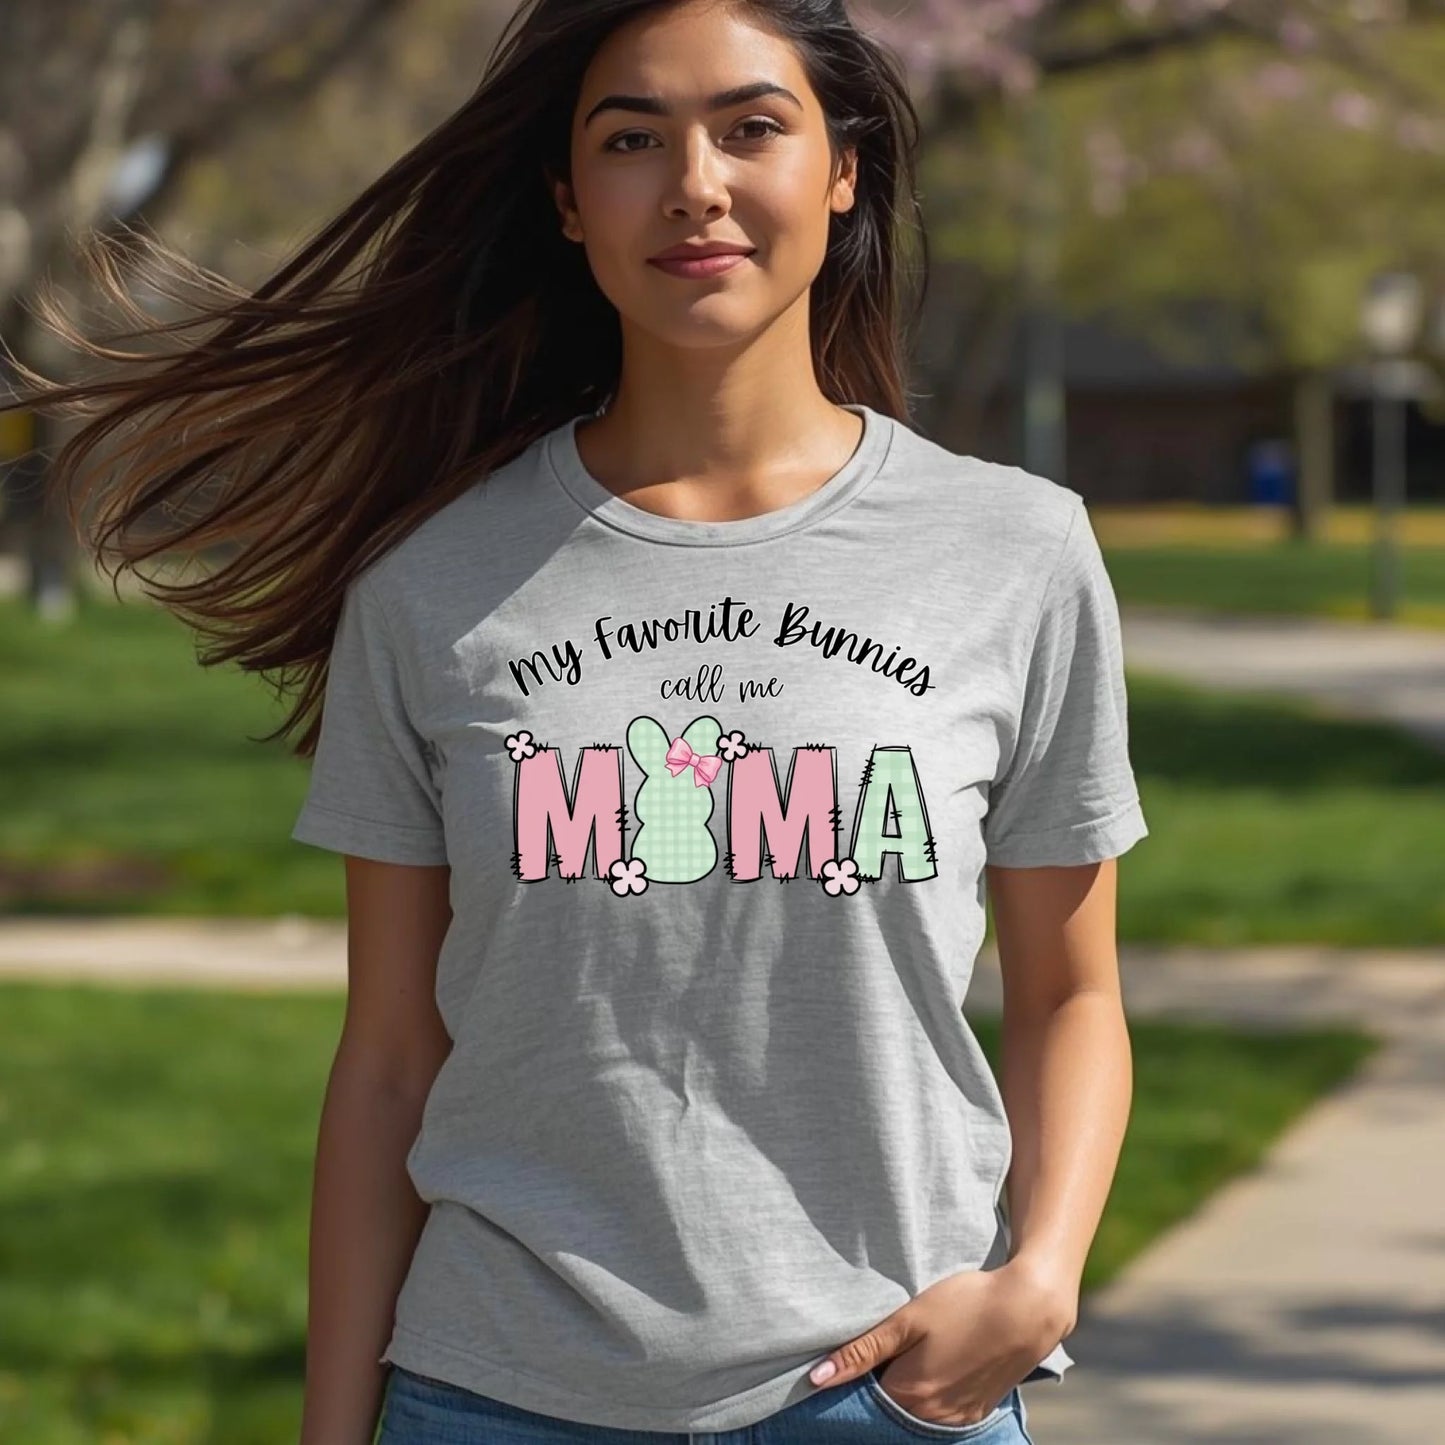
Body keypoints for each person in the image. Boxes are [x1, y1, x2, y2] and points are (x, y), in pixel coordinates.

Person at [5, 0, 1149, 1440]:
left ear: (843, 171)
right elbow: (388, 1059)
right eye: (631, 140)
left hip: (884, 1391)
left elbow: (1069, 994)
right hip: (497, 1393)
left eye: (752, 127)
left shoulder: (1015, 552)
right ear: (566, 200)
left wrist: (1040, 1281)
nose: (696, 184)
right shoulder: (430, 585)